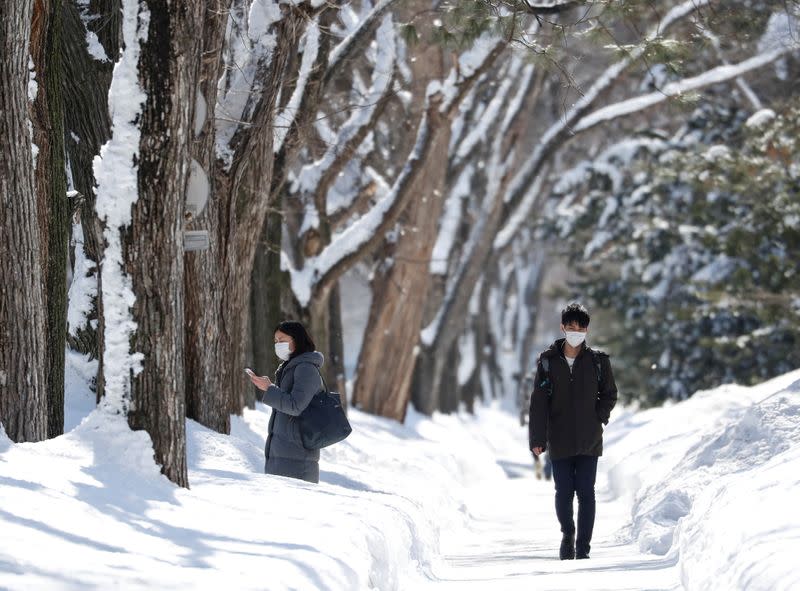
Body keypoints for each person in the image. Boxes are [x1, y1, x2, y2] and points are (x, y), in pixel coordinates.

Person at [529, 303, 618, 560]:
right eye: (571, 327)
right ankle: (568, 534)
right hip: (560, 439)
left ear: (587, 330)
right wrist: (538, 438)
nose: (575, 331)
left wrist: (598, 417)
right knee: (564, 492)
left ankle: (583, 547)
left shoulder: (598, 362)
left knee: (586, 493)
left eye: (580, 327)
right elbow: (539, 403)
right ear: (563, 328)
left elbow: (610, 394)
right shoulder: (547, 363)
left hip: (590, 440)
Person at [248, 321, 324, 484]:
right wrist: (270, 388)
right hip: (283, 455)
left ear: (297, 339)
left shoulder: (306, 368)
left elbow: (295, 406)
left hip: (297, 459)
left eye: (282, 340)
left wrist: (270, 389)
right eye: (276, 341)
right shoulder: (290, 367)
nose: (278, 345)